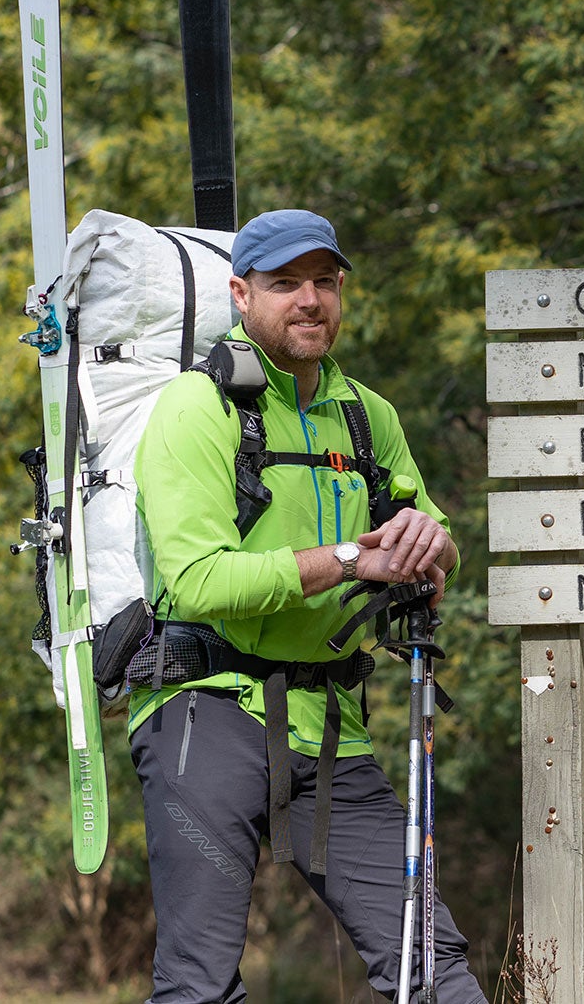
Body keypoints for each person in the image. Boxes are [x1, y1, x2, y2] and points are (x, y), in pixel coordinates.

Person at [130, 209, 486, 1003]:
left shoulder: (367, 416)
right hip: (207, 711)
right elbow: (197, 583)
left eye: (325, 282)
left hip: (330, 723)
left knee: (429, 958)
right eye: (285, 283)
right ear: (241, 293)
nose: (309, 300)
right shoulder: (197, 410)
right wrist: (356, 557)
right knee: (199, 983)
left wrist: (430, 550)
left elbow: (439, 543)